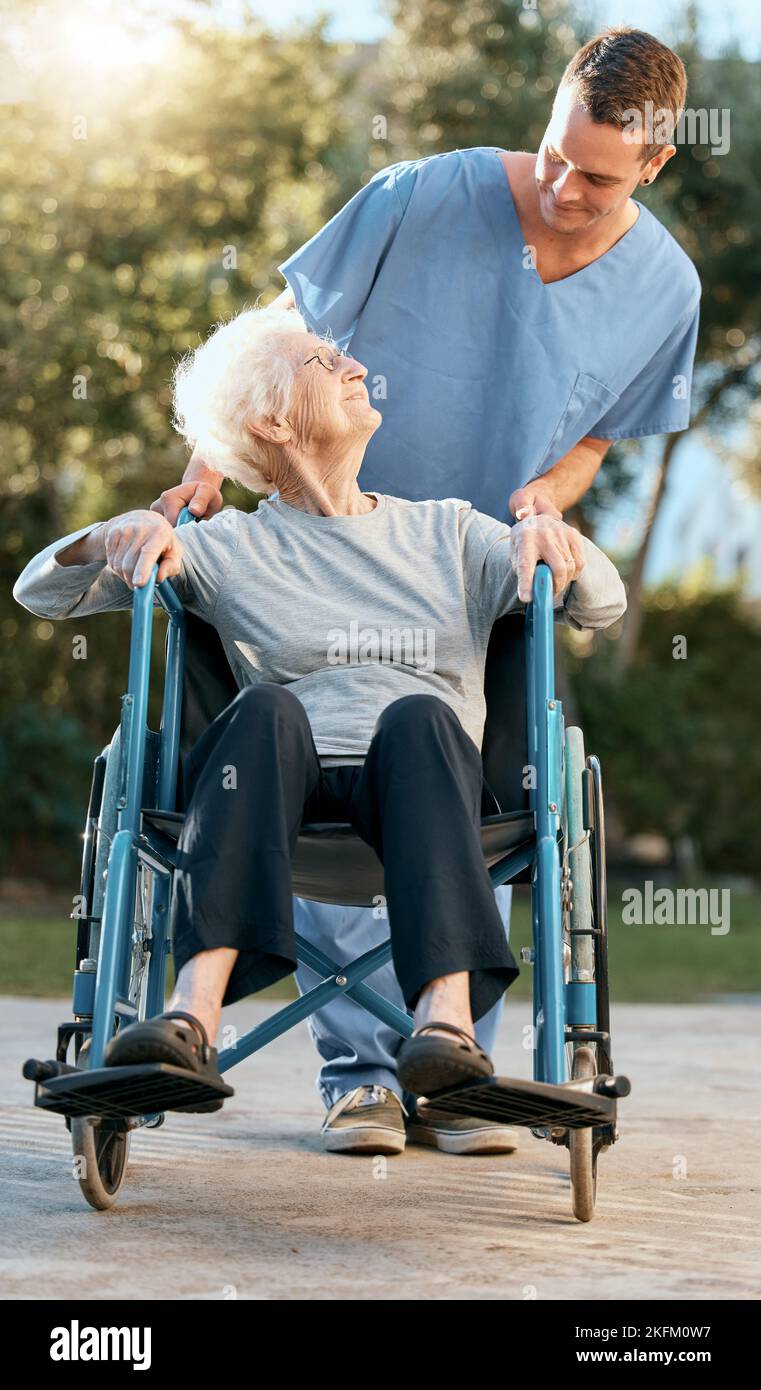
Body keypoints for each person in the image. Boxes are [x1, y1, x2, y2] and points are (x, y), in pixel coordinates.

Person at [151, 27, 700, 1154]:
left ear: (653, 165)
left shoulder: (664, 288)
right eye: (552, 153)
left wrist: (544, 500)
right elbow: (283, 338)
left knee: (456, 763)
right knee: (312, 727)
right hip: (331, 530)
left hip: (473, 561)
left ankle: (450, 1067)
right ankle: (358, 1078)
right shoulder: (425, 193)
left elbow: (594, 437)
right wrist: (209, 469)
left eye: (595, 176)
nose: (559, 186)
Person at [13, 308, 627, 1136]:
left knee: (418, 715)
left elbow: (599, 607)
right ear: (271, 421)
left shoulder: (449, 530)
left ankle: (443, 1031)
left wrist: (562, 545)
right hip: (280, 792)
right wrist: (109, 538)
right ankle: (187, 1023)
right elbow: (38, 594)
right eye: (319, 359)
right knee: (264, 707)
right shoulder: (226, 547)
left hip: (427, 786)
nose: (350, 363)